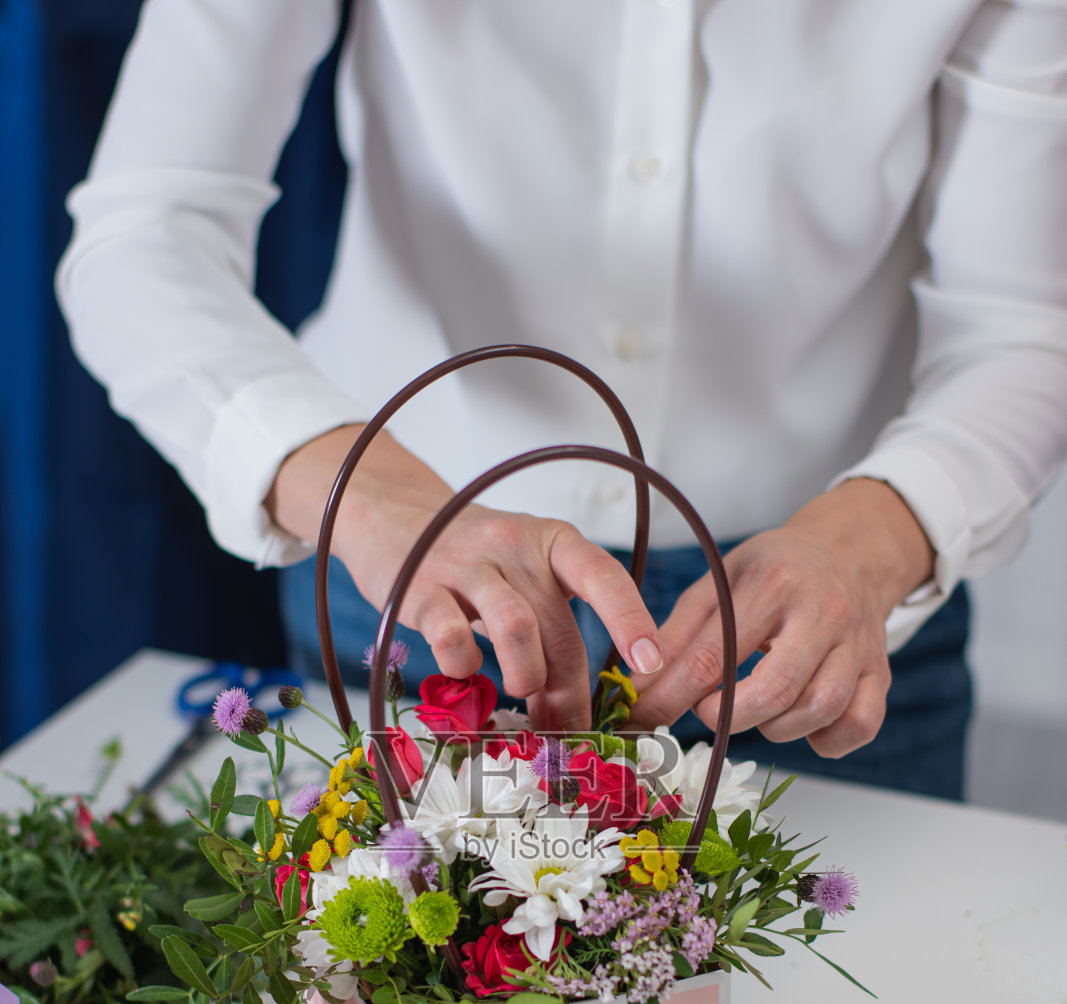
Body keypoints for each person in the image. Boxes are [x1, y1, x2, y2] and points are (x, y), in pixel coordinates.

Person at [57, 1, 1067, 798]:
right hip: (416, 593)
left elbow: (1023, 325)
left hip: (829, 626)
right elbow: (143, 234)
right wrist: (367, 495)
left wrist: (873, 541)